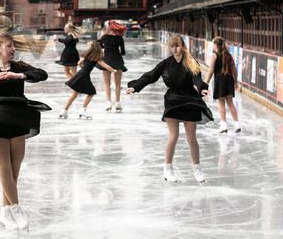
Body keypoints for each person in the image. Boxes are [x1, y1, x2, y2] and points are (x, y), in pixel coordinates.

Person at [0, 26, 50, 231]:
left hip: (18, 116)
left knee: (15, 168)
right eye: (8, 46)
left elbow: (41, 74)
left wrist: (19, 76)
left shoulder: (18, 66)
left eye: (13, 45)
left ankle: (5, 211)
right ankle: (15, 208)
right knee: (4, 166)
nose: (12, 49)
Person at [126, 35, 213, 184]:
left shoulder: (191, 62)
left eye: (177, 45)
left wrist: (202, 89)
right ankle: (167, 168)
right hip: (172, 100)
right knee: (173, 136)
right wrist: (135, 87)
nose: (175, 49)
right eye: (172, 46)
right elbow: (150, 76)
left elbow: (197, 79)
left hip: (190, 100)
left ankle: (197, 168)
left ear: (183, 46)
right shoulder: (166, 63)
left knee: (191, 137)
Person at [58, 39, 116, 120]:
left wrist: (83, 68)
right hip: (84, 75)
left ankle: (64, 111)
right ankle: (82, 110)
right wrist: (113, 70)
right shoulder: (96, 58)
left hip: (80, 74)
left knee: (75, 94)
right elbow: (106, 66)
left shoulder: (86, 56)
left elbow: (78, 63)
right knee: (91, 92)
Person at [202, 37, 241, 134]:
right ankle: (237, 124)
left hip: (220, 80)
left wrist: (206, 82)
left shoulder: (214, 55)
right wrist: (235, 82)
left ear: (216, 45)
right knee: (230, 103)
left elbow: (211, 70)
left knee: (221, 103)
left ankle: (223, 125)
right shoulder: (228, 55)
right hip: (229, 80)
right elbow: (234, 70)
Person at [99, 21, 128, 112]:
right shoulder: (120, 39)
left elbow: (100, 45)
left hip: (106, 61)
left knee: (107, 83)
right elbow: (123, 52)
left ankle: (108, 102)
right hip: (117, 60)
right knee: (117, 84)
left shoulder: (104, 37)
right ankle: (118, 103)